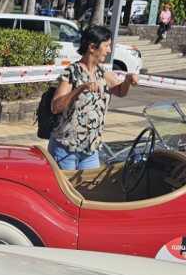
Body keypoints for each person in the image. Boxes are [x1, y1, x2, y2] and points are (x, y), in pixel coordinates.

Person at [48, 25, 140, 170]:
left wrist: (128, 80)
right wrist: (80, 89)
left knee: (88, 191)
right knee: (65, 192)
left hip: (90, 150)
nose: (109, 50)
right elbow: (55, 107)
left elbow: (121, 91)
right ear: (92, 47)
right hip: (66, 149)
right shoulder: (71, 72)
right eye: (106, 46)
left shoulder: (103, 73)